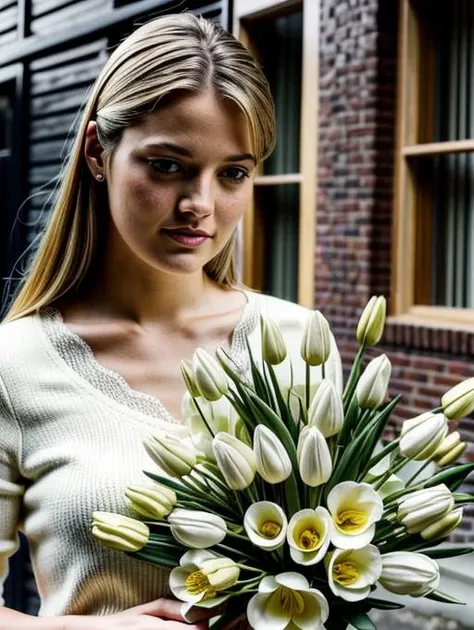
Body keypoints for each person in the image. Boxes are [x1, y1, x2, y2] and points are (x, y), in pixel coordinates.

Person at [0, 12, 343, 629]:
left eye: (233, 173)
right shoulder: (14, 364)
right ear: (98, 154)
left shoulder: (297, 343)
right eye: (167, 165)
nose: (200, 206)